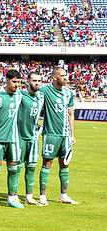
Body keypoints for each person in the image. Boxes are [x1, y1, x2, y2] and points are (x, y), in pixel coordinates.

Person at [38, 67, 78, 206]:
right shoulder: (45, 90)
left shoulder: (68, 93)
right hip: (51, 134)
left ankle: (64, 195)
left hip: (65, 136)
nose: (65, 78)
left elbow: (70, 114)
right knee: (47, 163)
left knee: (65, 164)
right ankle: (42, 196)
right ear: (54, 77)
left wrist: (72, 135)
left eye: (65, 75)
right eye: (62, 75)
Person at [0, 69, 23, 209]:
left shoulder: (19, 95)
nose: (16, 85)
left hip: (13, 139)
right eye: (14, 82)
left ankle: (12, 198)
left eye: (19, 82)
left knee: (13, 169)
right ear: (7, 80)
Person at [16, 71, 44, 205]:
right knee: (16, 167)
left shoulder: (41, 97)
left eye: (39, 81)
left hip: (33, 138)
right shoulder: (20, 95)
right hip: (19, 137)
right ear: (27, 81)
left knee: (32, 167)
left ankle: (29, 196)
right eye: (34, 80)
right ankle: (13, 195)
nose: (37, 83)